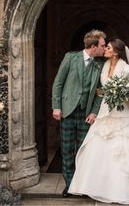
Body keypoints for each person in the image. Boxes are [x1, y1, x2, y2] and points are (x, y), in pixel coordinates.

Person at [69, 39, 129, 204]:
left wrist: (123, 93)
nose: (105, 49)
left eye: (108, 47)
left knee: (121, 151)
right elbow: (102, 91)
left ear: (115, 51)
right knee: (96, 148)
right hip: (105, 112)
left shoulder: (128, 69)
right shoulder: (105, 66)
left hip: (123, 114)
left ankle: (120, 189)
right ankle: (94, 186)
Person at [52, 29, 106, 197]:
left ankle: (83, 185)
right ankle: (69, 185)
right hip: (67, 111)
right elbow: (58, 83)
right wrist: (56, 106)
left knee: (84, 151)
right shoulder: (70, 58)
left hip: (86, 114)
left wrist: (95, 111)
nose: (104, 48)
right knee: (67, 150)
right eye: (103, 45)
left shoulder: (100, 64)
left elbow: (100, 91)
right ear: (93, 46)